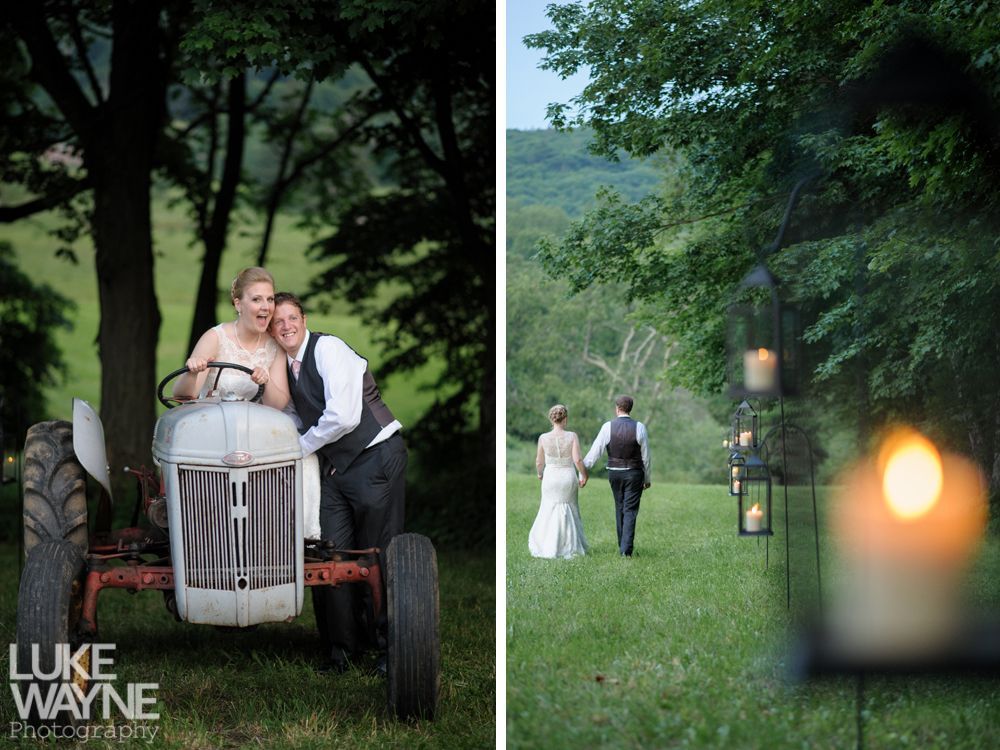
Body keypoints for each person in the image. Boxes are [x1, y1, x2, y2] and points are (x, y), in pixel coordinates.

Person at [269, 292, 406, 674]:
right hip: (336, 470)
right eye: (278, 322)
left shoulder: (327, 349)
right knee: (330, 554)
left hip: (375, 458)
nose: (286, 326)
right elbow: (298, 418)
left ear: (304, 318)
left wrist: (298, 449)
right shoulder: (289, 368)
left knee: (377, 555)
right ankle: (341, 651)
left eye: (292, 318)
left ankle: (390, 651)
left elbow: (343, 416)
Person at [172, 267, 290, 408]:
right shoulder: (215, 338)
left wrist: (266, 381)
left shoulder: (275, 345)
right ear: (238, 304)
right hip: (212, 422)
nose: (266, 307)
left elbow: (278, 406)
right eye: (256, 299)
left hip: (255, 426)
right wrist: (192, 373)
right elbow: (182, 397)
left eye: (270, 299)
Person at [583, 395, 651, 557]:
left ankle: (623, 545)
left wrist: (583, 470)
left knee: (620, 507)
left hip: (614, 473)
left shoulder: (608, 426)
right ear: (630, 409)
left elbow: (595, 451)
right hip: (634, 474)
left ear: (617, 408)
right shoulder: (639, 427)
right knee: (630, 510)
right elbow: (646, 456)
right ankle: (625, 550)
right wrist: (647, 478)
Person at [528, 404, 588, 559]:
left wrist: (540, 474)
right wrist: (584, 475)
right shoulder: (572, 436)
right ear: (565, 419)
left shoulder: (543, 438)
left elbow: (539, 462)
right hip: (568, 476)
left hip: (551, 477)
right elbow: (577, 459)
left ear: (551, 419)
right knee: (569, 508)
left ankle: (546, 543)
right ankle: (569, 544)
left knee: (548, 508)